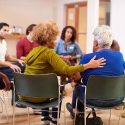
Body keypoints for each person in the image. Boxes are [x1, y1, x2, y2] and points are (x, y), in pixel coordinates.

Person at [23, 21, 105, 125]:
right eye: (53, 38)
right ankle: (54, 120)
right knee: (57, 92)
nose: (56, 42)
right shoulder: (49, 52)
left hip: (26, 94)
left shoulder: (33, 51)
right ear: (47, 39)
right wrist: (88, 65)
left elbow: (45, 69)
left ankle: (44, 118)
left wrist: (66, 73)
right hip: (39, 96)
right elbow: (66, 69)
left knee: (45, 86)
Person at [66, 25, 125, 119]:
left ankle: (76, 111)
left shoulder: (88, 58)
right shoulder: (120, 56)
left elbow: (76, 78)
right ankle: (77, 111)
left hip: (92, 100)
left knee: (77, 86)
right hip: (117, 99)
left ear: (95, 43)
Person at [0, 22, 26, 108]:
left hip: (4, 66)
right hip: (1, 69)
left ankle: (19, 97)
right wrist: (10, 65)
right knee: (16, 71)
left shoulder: (3, 42)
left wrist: (18, 60)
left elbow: (8, 57)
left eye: (7, 30)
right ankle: (17, 100)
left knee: (23, 66)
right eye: (4, 30)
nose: (6, 32)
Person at [54, 26, 83, 95]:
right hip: (60, 61)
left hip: (71, 61)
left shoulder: (74, 43)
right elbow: (53, 54)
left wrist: (73, 57)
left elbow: (80, 54)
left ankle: (62, 89)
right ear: (64, 32)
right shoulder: (59, 42)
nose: (69, 34)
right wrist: (63, 56)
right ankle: (72, 81)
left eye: (71, 33)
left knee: (64, 68)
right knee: (65, 62)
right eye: (68, 32)